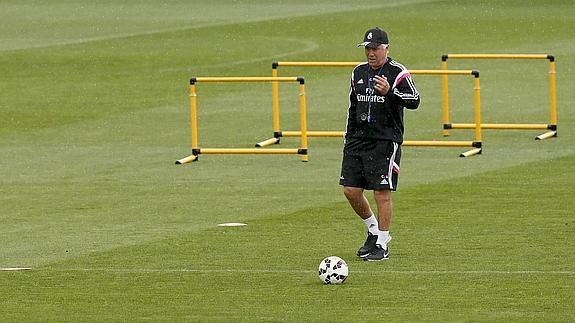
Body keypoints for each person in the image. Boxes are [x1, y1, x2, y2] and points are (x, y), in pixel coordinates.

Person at [339, 27, 420, 261]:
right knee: (351, 190)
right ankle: (373, 230)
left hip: (385, 141)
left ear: (386, 48)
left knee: (381, 192)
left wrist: (390, 93)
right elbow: (353, 107)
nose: (370, 53)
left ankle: (383, 243)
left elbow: (414, 100)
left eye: (375, 48)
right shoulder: (358, 73)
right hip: (357, 140)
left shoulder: (398, 73)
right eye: (367, 48)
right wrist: (348, 137)